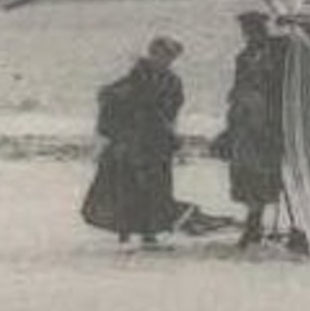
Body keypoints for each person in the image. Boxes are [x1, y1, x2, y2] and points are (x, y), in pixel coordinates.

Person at [81, 36, 188, 248]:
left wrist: (171, 134)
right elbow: (112, 99)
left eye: (170, 57)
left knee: (156, 189)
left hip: (158, 143)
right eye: (163, 55)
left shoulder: (172, 81)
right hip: (134, 142)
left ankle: (150, 233)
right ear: (153, 53)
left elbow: (173, 109)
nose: (166, 60)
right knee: (130, 188)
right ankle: (126, 232)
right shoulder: (137, 77)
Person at [213, 13, 289, 248]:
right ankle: (253, 224)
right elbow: (238, 88)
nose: (250, 34)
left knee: (271, 173)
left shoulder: (280, 50)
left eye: (254, 29)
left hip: (269, 120)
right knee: (249, 173)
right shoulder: (244, 57)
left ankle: (264, 225)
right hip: (246, 121)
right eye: (247, 30)